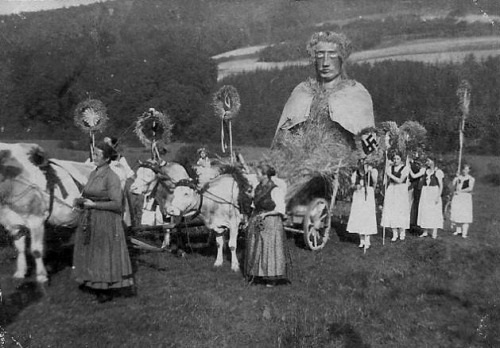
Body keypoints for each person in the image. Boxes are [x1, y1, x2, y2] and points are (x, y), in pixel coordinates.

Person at [272, 31, 375, 151]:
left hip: (343, 164)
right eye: (320, 55)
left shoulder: (355, 94)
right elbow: (280, 141)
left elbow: (369, 148)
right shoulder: (301, 92)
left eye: (332, 55)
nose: (326, 63)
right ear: (313, 59)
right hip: (299, 164)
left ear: (341, 58)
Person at [73, 141, 135, 303]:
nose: (94, 157)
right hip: (91, 217)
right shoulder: (94, 173)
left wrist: (94, 204)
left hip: (106, 220)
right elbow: (89, 192)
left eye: (97, 155)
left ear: (107, 159)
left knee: (103, 254)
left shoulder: (112, 177)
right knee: (92, 252)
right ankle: (92, 282)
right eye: (93, 153)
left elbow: (117, 204)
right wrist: (80, 200)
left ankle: (105, 289)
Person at [244, 164, 290, 287]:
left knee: (269, 247)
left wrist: (266, 214)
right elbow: (255, 205)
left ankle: (271, 277)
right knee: (257, 245)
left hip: (271, 221)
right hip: (257, 218)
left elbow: (280, 209)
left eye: (258, 174)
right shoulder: (258, 187)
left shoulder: (276, 190)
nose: (256, 176)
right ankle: (257, 273)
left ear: (265, 175)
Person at [347, 159, 378, 250]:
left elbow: (375, 183)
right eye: (361, 163)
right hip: (358, 195)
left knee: (367, 216)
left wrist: (369, 189)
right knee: (359, 216)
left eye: (365, 163)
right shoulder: (355, 173)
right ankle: (361, 240)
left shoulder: (372, 171)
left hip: (368, 194)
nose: (363, 165)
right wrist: (355, 186)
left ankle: (367, 240)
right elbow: (351, 185)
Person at [410, 157, 444, 239]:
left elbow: (441, 185)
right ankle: (425, 231)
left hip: (434, 191)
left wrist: (438, 196)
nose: (427, 162)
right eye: (427, 160)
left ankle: (434, 232)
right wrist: (409, 167)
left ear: (433, 161)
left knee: (434, 211)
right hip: (425, 192)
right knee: (425, 210)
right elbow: (414, 176)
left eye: (428, 160)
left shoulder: (438, 172)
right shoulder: (424, 170)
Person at [381, 152, 410, 242]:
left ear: (401, 160)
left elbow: (400, 180)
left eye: (397, 159)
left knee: (400, 210)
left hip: (400, 190)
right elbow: (385, 181)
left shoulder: (405, 168)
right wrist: (386, 172)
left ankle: (402, 232)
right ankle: (394, 233)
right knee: (392, 210)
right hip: (392, 189)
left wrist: (389, 174)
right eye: (394, 159)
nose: (395, 161)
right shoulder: (390, 168)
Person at [450, 164, 475, 238]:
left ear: (469, 170)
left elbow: (470, 188)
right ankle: (458, 231)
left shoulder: (471, 179)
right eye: (464, 169)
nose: (465, 171)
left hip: (465, 198)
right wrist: (456, 177)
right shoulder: (459, 177)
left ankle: (464, 233)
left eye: (467, 170)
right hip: (458, 197)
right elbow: (453, 184)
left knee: (465, 214)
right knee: (457, 212)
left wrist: (460, 191)